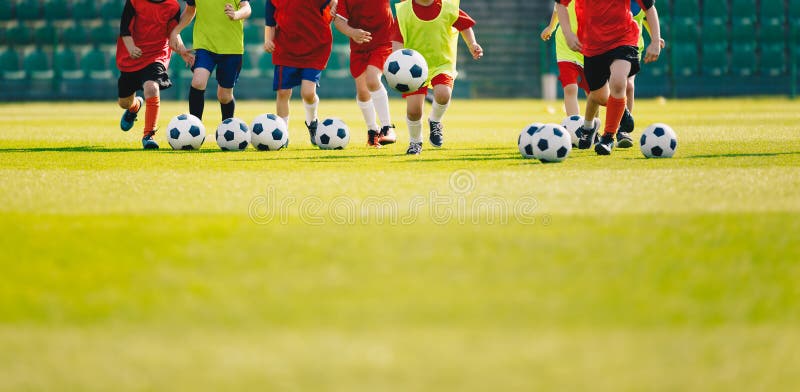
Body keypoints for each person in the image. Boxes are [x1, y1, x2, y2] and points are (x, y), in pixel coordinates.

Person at [556, 0, 661, 155]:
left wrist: (655, 41)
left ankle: (608, 138)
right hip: (593, 46)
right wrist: (568, 34)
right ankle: (602, 120)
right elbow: (560, 5)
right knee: (598, 96)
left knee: (619, 83)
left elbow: (649, 8)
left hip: (624, 39)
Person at [392, 0, 483, 155]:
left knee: (443, 94)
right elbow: (397, 40)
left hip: (442, 64)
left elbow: (465, 25)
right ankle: (415, 142)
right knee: (414, 111)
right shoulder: (404, 11)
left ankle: (435, 121)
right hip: (413, 67)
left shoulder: (448, 7)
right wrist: (398, 60)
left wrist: (472, 44)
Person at [117, 0, 190, 150]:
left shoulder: (173, 6)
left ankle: (149, 135)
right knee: (124, 102)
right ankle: (134, 106)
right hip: (132, 56)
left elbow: (173, 32)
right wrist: (131, 48)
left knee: (152, 88)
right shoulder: (135, 1)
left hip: (156, 55)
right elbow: (124, 29)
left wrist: (182, 50)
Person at [264, 0, 336, 146]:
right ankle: (282, 134)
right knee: (283, 93)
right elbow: (270, 22)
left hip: (315, 47)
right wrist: (268, 40)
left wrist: (335, 4)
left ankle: (313, 122)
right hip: (286, 48)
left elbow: (333, 3)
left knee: (308, 93)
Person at [169, 0, 251, 122]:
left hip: (231, 48)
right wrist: (176, 31)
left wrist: (236, 14)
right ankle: (195, 127)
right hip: (205, 45)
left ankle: (227, 128)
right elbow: (190, 10)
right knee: (198, 82)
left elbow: (247, 9)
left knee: (224, 96)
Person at [333, 0, 397, 148]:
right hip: (359, 48)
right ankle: (373, 130)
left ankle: (388, 128)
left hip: (383, 42)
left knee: (372, 80)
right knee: (363, 92)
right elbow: (339, 21)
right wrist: (352, 33)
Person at [616, 0, 666, 148]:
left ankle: (623, 130)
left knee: (629, 86)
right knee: (602, 91)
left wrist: (655, 39)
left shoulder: (640, 3)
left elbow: (647, 15)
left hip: (633, 47)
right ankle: (593, 127)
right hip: (607, 46)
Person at [540, 1, 589, 117]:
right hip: (565, 46)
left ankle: (591, 127)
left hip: (589, 45)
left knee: (592, 93)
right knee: (570, 88)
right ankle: (574, 124)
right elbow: (559, 6)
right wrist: (551, 27)